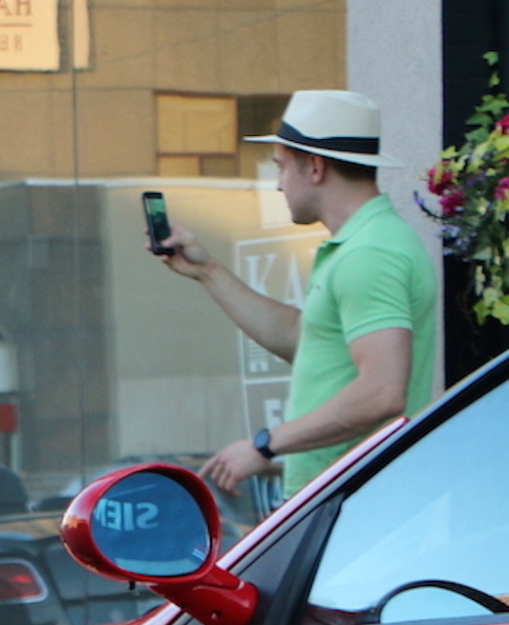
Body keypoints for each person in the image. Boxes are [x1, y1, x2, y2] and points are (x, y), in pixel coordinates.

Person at [155, 90, 438, 496]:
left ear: (316, 167)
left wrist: (266, 444)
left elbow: (382, 392)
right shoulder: (363, 244)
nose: (277, 185)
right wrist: (207, 272)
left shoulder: (369, 253)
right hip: (347, 496)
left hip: (354, 502)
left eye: (281, 167)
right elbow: (303, 338)